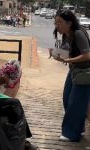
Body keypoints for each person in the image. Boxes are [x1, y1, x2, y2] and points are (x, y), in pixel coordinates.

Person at [52, 10, 90, 142]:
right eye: (56, 22)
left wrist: (68, 61)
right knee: (67, 98)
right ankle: (78, 130)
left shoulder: (78, 33)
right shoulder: (67, 35)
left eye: (60, 22)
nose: (57, 25)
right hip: (74, 70)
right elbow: (66, 53)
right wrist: (56, 54)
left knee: (75, 103)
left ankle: (71, 134)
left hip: (85, 72)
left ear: (69, 22)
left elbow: (87, 55)